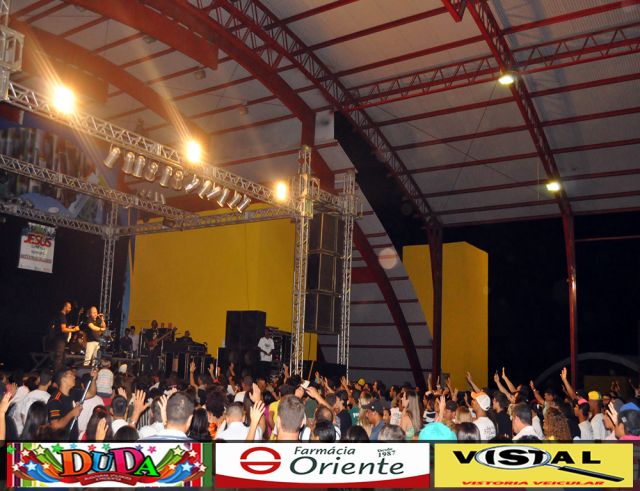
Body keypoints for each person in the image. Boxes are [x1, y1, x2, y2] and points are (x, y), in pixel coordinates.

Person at [46, 369, 83, 438]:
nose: (74, 377)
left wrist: (93, 379)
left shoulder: (73, 392)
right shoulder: (55, 400)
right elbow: (55, 426)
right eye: (71, 375)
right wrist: (72, 413)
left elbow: (91, 393)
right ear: (63, 379)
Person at [15, 370, 52, 435]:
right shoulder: (50, 399)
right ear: (50, 383)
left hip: (23, 433)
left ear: (39, 379)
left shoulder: (28, 395)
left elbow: (22, 415)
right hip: (38, 435)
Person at [51, 302, 79, 372]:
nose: (70, 309)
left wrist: (69, 328)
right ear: (65, 307)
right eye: (69, 308)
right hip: (60, 339)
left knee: (62, 357)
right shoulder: (62, 316)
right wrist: (74, 330)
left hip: (59, 339)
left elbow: (60, 327)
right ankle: (57, 373)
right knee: (59, 356)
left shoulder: (60, 315)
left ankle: (59, 372)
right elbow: (63, 329)